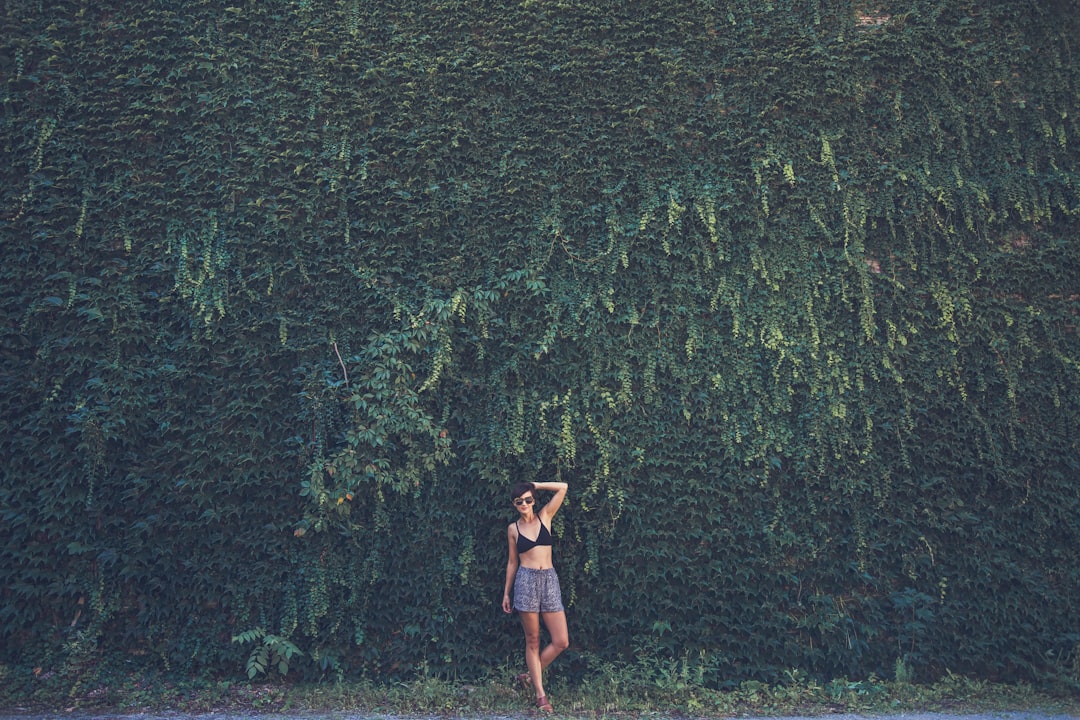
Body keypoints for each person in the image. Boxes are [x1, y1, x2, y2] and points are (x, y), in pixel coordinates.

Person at [501, 481, 569, 713]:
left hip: (549, 579)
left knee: (561, 641)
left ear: (534, 500)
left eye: (528, 499)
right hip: (526, 581)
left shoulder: (545, 517)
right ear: (514, 504)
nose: (524, 504)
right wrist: (506, 593)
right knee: (533, 640)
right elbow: (512, 562)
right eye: (519, 501)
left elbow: (563, 488)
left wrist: (536, 485)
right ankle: (540, 695)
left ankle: (529, 677)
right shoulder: (513, 529)